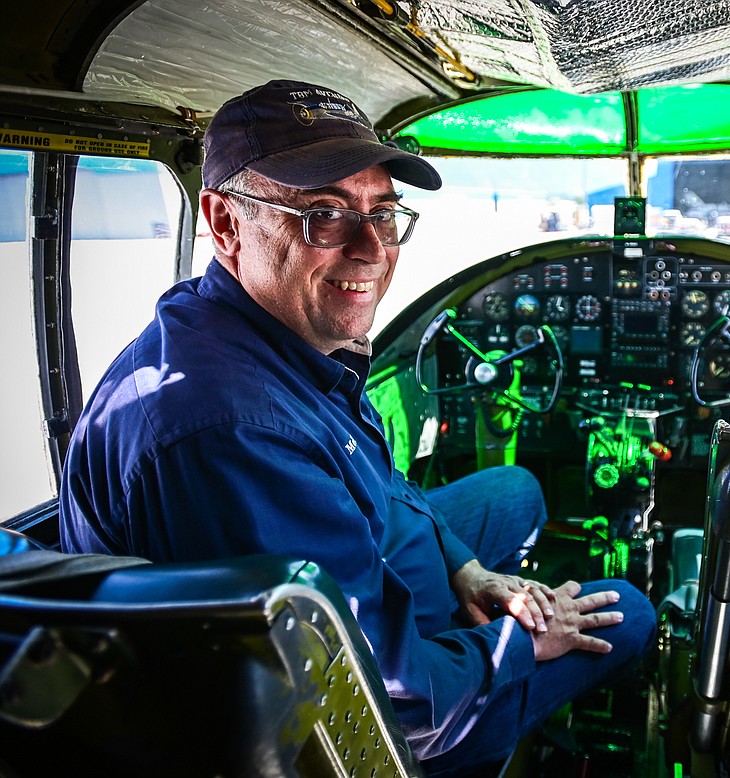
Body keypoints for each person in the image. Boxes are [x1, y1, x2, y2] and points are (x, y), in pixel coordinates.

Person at [58, 79, 655, 775]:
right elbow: (386, 708)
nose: (371, 248)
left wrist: (467, 570)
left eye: (383, 212)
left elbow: (386, 483)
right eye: (324, 214)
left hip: (359, 578)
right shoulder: (233, 433)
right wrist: (524, 645)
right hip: (369, 721)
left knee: (515, 490)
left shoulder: (268, 329)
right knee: (633, 614)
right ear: (224, 224)